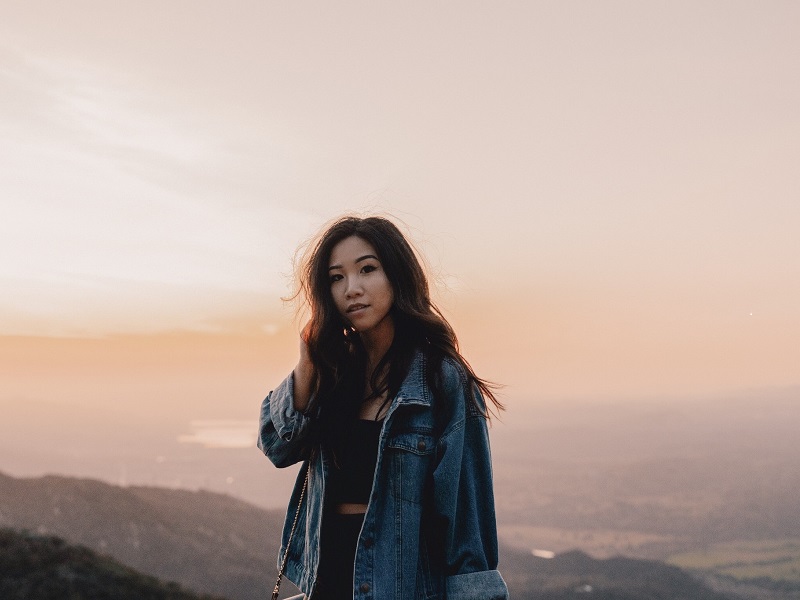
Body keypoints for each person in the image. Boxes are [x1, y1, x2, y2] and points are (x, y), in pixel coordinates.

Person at [258, 216, 508, 599]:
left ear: (398, 275)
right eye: (336, 277)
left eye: (367, 269)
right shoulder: (335, 375)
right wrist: (307, 364)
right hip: (326, 585)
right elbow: (277, 446)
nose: (351, 289)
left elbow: (466, 529)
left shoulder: (443, 381)